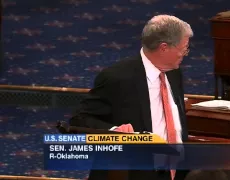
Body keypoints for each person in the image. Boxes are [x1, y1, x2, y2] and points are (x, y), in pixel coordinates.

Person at [69, 14, 193, 180]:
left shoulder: (174, 72)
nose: (185, 53)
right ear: (164, 48)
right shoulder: (117, 78)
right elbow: (80, 119)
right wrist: (115, 132)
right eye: (184, 48)